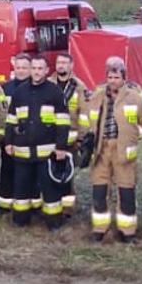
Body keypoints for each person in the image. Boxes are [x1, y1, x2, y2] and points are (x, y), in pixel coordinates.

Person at [4, 53, 72, 229]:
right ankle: (20, 219)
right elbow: (11, 119)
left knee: (50, 190)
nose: (36, 72)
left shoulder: (55, 92)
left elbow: (63, 122)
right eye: (33, 68)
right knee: (21, 188)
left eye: (40, 68)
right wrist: (8, 142)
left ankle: (53, 222)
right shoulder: (20, 92)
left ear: (47, 70)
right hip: (22, 150)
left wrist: (61, 147)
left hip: (46, 152)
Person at [83, 57, 142, 243]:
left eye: (116, 77)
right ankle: (99, 229)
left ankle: (127, 231)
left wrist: (132, 139)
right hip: (102, 149)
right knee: (99, 190)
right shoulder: (97, 96)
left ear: (124, 78)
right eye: (110, 77)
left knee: (126, 192)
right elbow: (89, 118)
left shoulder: (134, 97)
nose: (112, 81)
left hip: (123, 151)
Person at [0, 55, 31, 213]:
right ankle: (4, 204)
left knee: (26, 173)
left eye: (24, 68)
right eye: (18, 67)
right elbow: (1, 115)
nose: (21, 71)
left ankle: (24, 204)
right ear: (13, 68)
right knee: (7, 170)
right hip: (9, 138)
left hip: (29, 139)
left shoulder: (35, 88)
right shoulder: (5, 88)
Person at [50, 53, 86, 211]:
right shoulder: (48, 84)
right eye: (58, 62)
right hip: (49, 137)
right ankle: (51, 203)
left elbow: (84, 115)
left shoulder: (79, 86)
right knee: (48, 172)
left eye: (64, 63)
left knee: (67, 175)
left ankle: (67, 209)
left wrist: (81, 138)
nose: (61, 65)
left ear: (71, 66)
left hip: (70, 140)